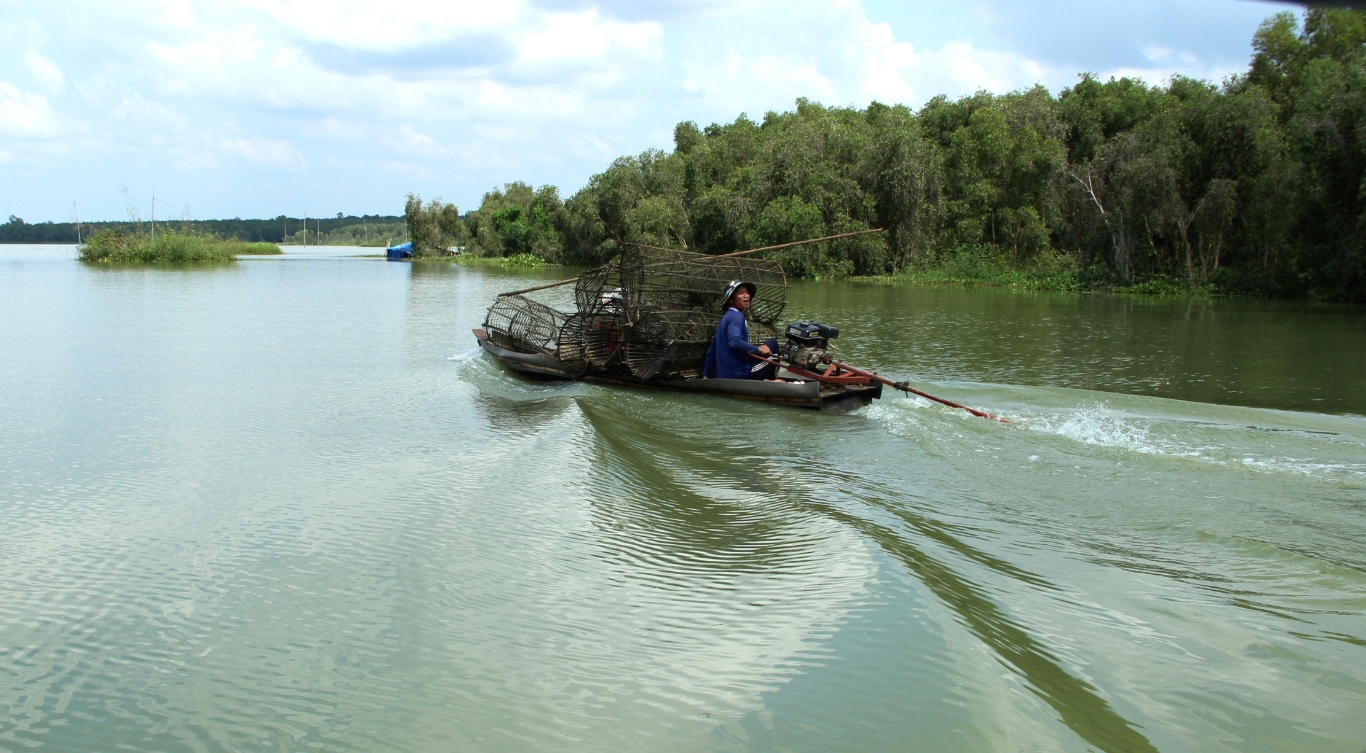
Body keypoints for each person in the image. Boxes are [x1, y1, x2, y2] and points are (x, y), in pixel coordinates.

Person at [702, 280, 779, 380]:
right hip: (740, 375)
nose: (746, 295)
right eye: (740, 293)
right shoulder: (737, 316)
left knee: (768, 343)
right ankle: (773, 381)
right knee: (773, 345)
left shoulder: (726, 318)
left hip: (723, 375)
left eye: (747, 292)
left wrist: (706, 376)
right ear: (731, 299)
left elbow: (712, 351)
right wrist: (758, 350)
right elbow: (734, 341)